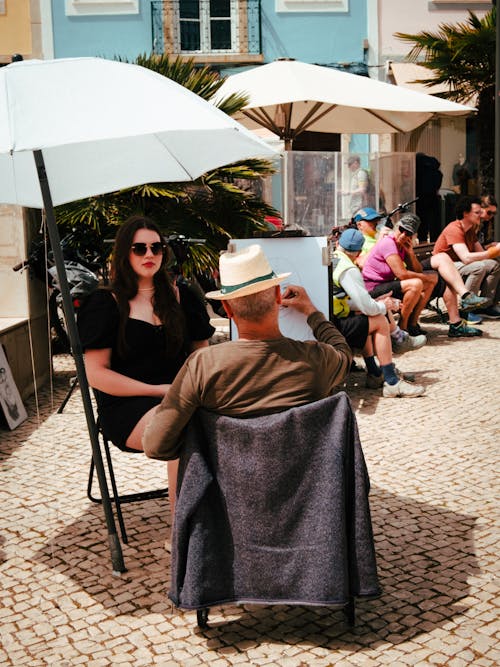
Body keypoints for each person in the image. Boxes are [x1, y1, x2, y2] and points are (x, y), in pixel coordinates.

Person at [143, 243, 352, 462]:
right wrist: (312, 313)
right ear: (278, 297)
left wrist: (206, 444)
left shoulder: (203, 366)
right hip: (306, 494)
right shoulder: (315, 359)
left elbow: (156, 445)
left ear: (228, 309)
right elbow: (344, 354)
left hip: (229, 495)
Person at [77, 215, 215, 505]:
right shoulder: (105, 304)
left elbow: (202, 358)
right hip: (128, 407)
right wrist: (161, 391)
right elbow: (97, 375)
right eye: (139, 248)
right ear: (124, 253)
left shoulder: (183, 297)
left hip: (183, 399)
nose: (149, 254)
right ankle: (183, 536)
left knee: (223, 422)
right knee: (187, 426)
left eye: (157, 248)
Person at [331, 229, 425, 398]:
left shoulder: (333, 260)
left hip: (330, 319)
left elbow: (342, 301)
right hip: (334, 325)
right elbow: (367, 307)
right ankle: (391, 382)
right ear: (359, 252)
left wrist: (377, 304)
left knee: (369, 316)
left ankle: (375, 372)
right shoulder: (349, 269)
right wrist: (384, 305)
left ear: (338, 244)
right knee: (379, 320)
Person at [361, 215, 438, 336]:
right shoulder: (388, 243)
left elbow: (418, 270)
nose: (403, 235)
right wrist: (428, 277)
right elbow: (402, 274)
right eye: (401, 230)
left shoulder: (402, 245)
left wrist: (411, 254)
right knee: (416, 284)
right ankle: (402, 328)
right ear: (396, 228)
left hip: (386, 284)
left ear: (412, 236)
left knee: (427, 284)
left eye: (408, 233)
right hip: (373, 287)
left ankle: (412, 324)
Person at [433, 196, 500, 320]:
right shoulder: (454, 228)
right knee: (478, 267)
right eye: (477, 212)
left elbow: (482, 255)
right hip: (445, 268)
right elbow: (466, 258)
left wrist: (494, 252)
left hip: (458, 265)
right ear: (465, 213)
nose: (481, 215)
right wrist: (492, 252)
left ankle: (485, 306)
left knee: (494, 265)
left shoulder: (469, 231)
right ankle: (466, 308)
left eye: (481, 212)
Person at [415, 152, 443, 243]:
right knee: (434, 223)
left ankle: (422, 241)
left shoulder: (418, 168)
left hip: (420, 198)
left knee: (422, 222)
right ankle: (435, 242)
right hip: (433, 198)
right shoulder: (436, 170)